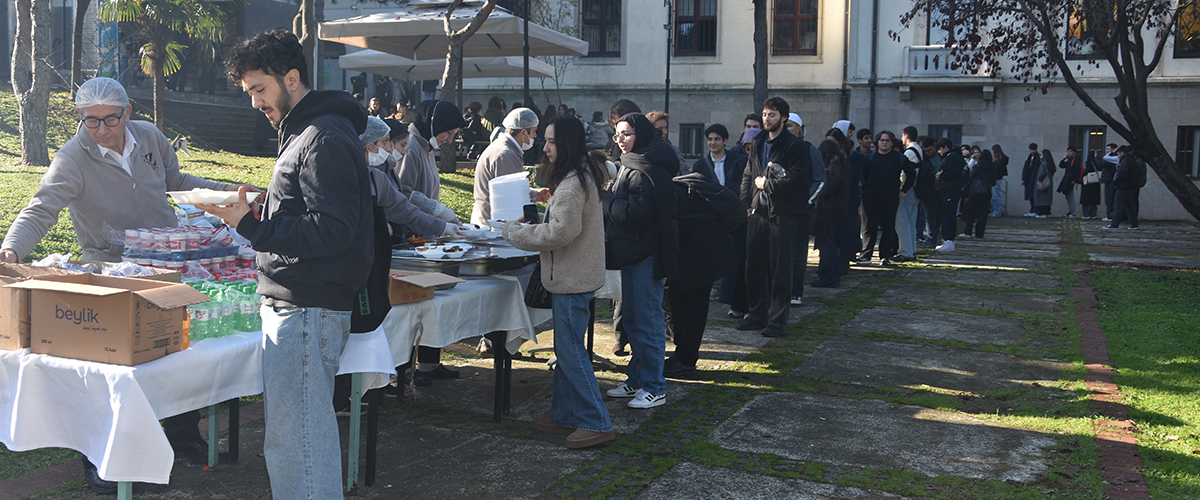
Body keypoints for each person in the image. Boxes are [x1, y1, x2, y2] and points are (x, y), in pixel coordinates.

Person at [0, 76, 249, 494]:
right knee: (109, 367)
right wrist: (10, 251)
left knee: (174, 353)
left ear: (127, 113)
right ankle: (98, 461)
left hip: (167, 263)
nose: (100, 130)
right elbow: (42, 207)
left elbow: (176, 180)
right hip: (112, 272)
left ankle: (182, 435)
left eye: (109, 120)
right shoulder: (73, 158)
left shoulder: (149, 136)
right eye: (90, 121)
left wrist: (226, 194)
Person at [213, 28, 373, 499]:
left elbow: (334, 230)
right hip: (302, 306)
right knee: (297, 440)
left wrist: (253, 226)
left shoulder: (321, 136)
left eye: (260, 89)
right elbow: (319, 217)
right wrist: (268, 211)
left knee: (299, 444)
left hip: (306, 310)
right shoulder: (309, 131)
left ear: (292, 77)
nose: (255, 102)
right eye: (249, 93)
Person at [504, 116, 614, 448]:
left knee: (571, 354)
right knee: (567, 351)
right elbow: (565, 223)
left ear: (566, 143)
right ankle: (564, 414)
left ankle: (597, 420)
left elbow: (561, 233)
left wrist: (514, 232)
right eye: (546, 140)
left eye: (551, 141)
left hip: (572, 279)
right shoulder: (580, 174)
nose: (546, 147)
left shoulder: (572, 182)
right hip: (576, 276)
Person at [603, 112, 678, 409]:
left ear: (642, 135)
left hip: (647, 254)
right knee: (633, 320)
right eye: (617, 134)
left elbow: (637, 214)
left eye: (626, 134)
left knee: (647, 322)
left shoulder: (648, 166)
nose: (620, 140)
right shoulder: (632, 161)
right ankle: (637, 378)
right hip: (632, 253)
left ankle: (654, 386)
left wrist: (606, 199)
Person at [396, 99, 466, 385]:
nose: (449, 140)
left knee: (431, 297)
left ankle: (428, 361)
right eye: (447, 133)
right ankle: (405, 366)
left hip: (427, 231)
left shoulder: (425, 147)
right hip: (411, 232)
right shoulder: (411, 146)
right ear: (434, 125)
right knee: (415, 302)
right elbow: (403, 192)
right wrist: (437, 212)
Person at [737, 96, 813, 337]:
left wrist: (768, 184)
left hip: (783, 215)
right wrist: (745, 204)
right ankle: (756, 315)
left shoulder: (795, 145)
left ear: (784, 118)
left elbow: (800, 180)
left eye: (772, 115)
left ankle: (778, 321)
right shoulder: (758, 142)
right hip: (757, 214)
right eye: (765, 114)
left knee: (781, 269)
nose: (767, 118)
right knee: (753, 267)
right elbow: (749, 175)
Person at [664, 168, 743, 378]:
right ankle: (682, 355)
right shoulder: (674, 188)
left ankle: (686, 360)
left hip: (703, 252)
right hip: (697, 249)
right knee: (678, 302)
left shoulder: (670, 190)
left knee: (693, 307)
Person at [693, 124, 748, 317]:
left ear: (725, 141)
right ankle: (714, 285)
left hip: (731, 211)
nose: (713, 143)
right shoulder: (700, 165)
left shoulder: (737, 161)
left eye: (717, 139)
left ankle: (729, 290)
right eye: (710, 139)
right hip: (710, 214)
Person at [470, 108, 550, 225]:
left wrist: (534, 194)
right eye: (534, 131)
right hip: (492, 226)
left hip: (491, 222)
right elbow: (511, 196)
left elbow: (511, 189)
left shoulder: (505, 150)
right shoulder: (505, 154)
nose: (535, 136)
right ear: (523, 133)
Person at [858, 130, 913, 265]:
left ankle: (885, 256)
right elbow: (863, 174)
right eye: (882, 140)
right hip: (871, 195)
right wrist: (865, 190)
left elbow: (911, 173)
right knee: (869, 226)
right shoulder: (871, 157)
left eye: (887, 141)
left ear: (892, 143)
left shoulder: (899, 157)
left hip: (890, 196)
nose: (884, 143)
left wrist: (904, 190)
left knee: (888, 226)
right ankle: (866, 255)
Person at [810, 139, 851, 287]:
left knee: (828, 245)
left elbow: (826, 189)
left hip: (829, 211)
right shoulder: (842, 166)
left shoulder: (835, 168)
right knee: (829, 244)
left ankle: (829, 277)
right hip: (835, 210)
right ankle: (829, 275)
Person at [894, 126, 923, 262]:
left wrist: (902, 188)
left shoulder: (909, 153)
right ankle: (911, 250)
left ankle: (906, 252)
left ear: (905, 135)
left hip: (908, 190)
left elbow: (905, 174)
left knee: (902, 221)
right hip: (916, 190)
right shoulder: (919, 150)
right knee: (911, 221)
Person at [934, 139, 966, 252]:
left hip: (951, 188)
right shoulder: (954, 156)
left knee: (948, 214)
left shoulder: (952, 157)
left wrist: (941, 176)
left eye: (940, 149)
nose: (939, 152)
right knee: (947, 213)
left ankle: (949, 240)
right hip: (951, 188)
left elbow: (952, 172)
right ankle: (946, 239)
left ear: (945, 147)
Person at [1105, 145, 1141, 229]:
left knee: (1118, 206)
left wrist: (1116, 182)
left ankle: (1114, 224)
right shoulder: (1132, 160)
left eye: (1118, 154)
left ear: (1122, 153)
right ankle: (1134, 224)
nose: (1118, 156)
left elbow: (1122, 174)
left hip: (1123, 186)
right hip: (1129, 186)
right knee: (1129, 206)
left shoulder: (1125, 161)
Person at [962, 149, 996, 238]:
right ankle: (980, 233)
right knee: (983, 213)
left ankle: (968, 231)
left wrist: (966, 193)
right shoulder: (992, 167)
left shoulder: (978, 166)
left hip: (975, 192)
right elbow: (994, 181)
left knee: (971, 212)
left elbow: (971, 179)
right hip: (987, 192)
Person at [1057, 147, 1082, 218]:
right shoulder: (1069, 160)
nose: (1069, 153)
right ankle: (1071, 211)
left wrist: (1074, 180)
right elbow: (1061, 166)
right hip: (1067, 179)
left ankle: (1072, 212)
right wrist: (1063, 159)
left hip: (1070, 179)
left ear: (1074, 152)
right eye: (1068, 151)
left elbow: (1077, 170)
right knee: (1068, 195)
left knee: (1070, 195)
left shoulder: (1076, 159)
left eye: (1070, 151)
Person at [1080, 150, 1103, 219]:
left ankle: (1086, 214)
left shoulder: (1089, 163)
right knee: (1094, 201)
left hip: (1088, 184)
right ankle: (1093, 214)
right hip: (1095, 184)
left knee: (1086, 201)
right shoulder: (1098, 163)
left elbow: (1086, 173)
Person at [1034, 149, 1056, 217]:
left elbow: (1042, 173)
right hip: (1048, 182)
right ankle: (1047, 212)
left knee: (1041, 198)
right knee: (1046, 199)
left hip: (1043, 182)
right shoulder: (1050, 163)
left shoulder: (1044, 163)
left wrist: (1038, 179)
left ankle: (1042, 213)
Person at [1021, 143, 1041, 216]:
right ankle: (1032, 209)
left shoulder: (1038, 158)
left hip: (1034, 178)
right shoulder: (1029, 158)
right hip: (1029, 179)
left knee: (1034, 195)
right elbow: (1025, 168)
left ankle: (1035, 210)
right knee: (1030, 195)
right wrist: (1023, 179)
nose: (1033, 151)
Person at [1101, 143, 1120, 221]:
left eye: (1109, 149)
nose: (1107, 151)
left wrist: (1112, 152)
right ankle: (1110, 215)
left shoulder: (1114, 158)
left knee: (1110, 198)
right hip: (1110, 180)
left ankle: (1110, 215)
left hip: (1111, 180)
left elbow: (1105, 158)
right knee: (1109, 198)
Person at [990, 144, 1009, 216]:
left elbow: (998, 169)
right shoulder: (1000, 159)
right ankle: (995, 211)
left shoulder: (999, 160)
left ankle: (997, 211)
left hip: (996, 178)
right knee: (995, 195)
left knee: (996, 196)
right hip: (996, 178)